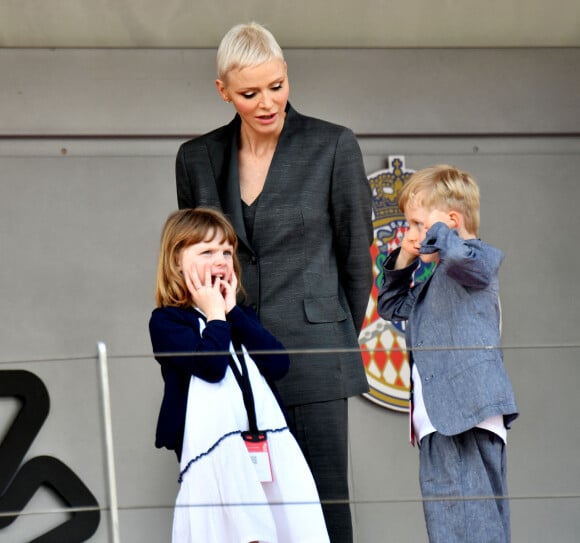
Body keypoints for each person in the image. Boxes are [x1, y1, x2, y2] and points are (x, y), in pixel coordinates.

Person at [175, 22, 373, 542]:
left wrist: (330, 337)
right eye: (249, 93)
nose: (267, 102)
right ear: (222, 91)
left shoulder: (333, 145)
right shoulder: (196, 158)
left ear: (287, 74)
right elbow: (191, 255)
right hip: (229, 360)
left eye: (277, 86)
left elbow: (357, 262)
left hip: (314, 358)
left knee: (324, 512)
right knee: (244, 518)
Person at [149, 207, 330, 543]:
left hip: (265, 441)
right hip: (215, 447)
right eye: (206, 251)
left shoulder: (239, 314)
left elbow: (278, 365)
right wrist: (215, 317)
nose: (221, 259)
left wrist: (231, 312)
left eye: (227, 252)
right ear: (176, 261)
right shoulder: (167, 321)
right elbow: (211, 368)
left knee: (283, 525)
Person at [377, 165, 519, 543]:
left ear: (452, 221)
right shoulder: (436, 275)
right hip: (441, 419)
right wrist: (406, 259)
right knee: (452, 520)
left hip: (463, 413)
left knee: (467, 523)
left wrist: (438, 235)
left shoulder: (474, 259)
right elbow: (393, 308)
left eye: (416, 224)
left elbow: (462, 258)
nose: (411, 234)